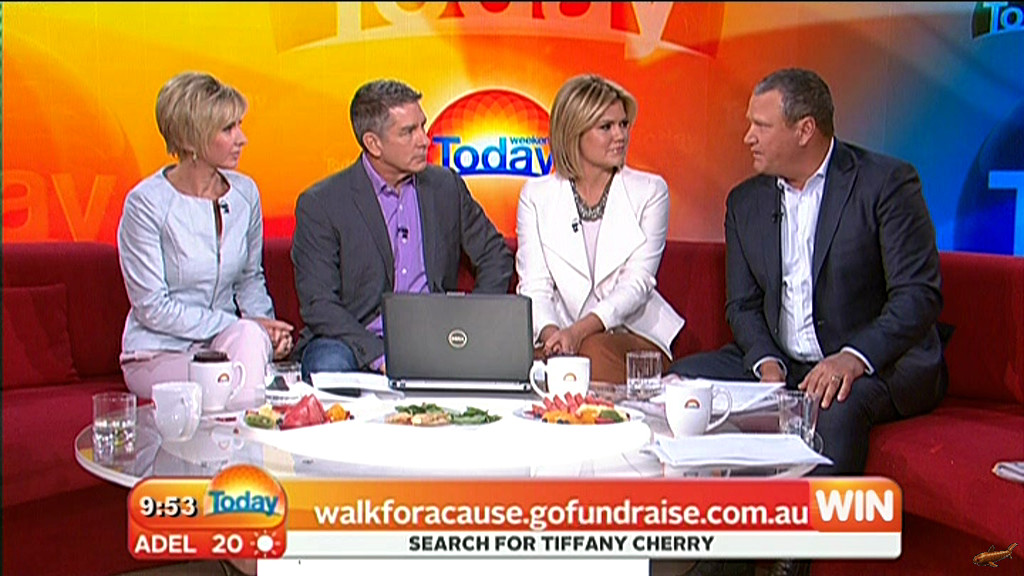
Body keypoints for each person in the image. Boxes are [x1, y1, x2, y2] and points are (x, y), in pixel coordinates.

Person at [669, 67, 947, 479]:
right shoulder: (745, 202)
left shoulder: (885, 184)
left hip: (874, 362)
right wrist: (766, 363)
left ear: (804, 130)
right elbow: (742, 305)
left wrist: (852, 358)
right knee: (682, 383)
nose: (748, 137)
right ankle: (711, 509)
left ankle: (809, 522)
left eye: (761, 126)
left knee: (832, 406)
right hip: (785, 364)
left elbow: (917, 295)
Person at [291, 79, 513, 380]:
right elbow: (319, 304)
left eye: (422, 126)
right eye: (409, 132)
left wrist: (472, 321)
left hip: (435, 334)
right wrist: (379, 355)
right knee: (328, 365)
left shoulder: (445, 186)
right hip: (354, 340)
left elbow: (495, 254)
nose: (424, 140)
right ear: (373, 143)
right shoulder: (323, 203)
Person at [117, 71, 294, 411]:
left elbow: (250, 280)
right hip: (159, 353)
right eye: (228, 129)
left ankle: (241, 439)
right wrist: (243, 326)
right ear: (191, 139)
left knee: (245, 346)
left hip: (225, 346)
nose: (242, 139)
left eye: (239, 125)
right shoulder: (146, 204)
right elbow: (153, 307)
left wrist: (267, 332)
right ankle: (245, 440)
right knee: (231, 368)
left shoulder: (245, 193)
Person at [515, 74, 685, 384]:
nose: (620, 136)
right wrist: (554, 338)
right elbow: (534, 286)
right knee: (520, 361)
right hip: (560, 333)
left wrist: (578, 333)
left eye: (623, 124)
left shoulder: (650, 191)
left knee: (591, 351)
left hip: (632, 332)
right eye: (606, 127)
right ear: (573, 133)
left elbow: (637, 284)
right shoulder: (537, 195)